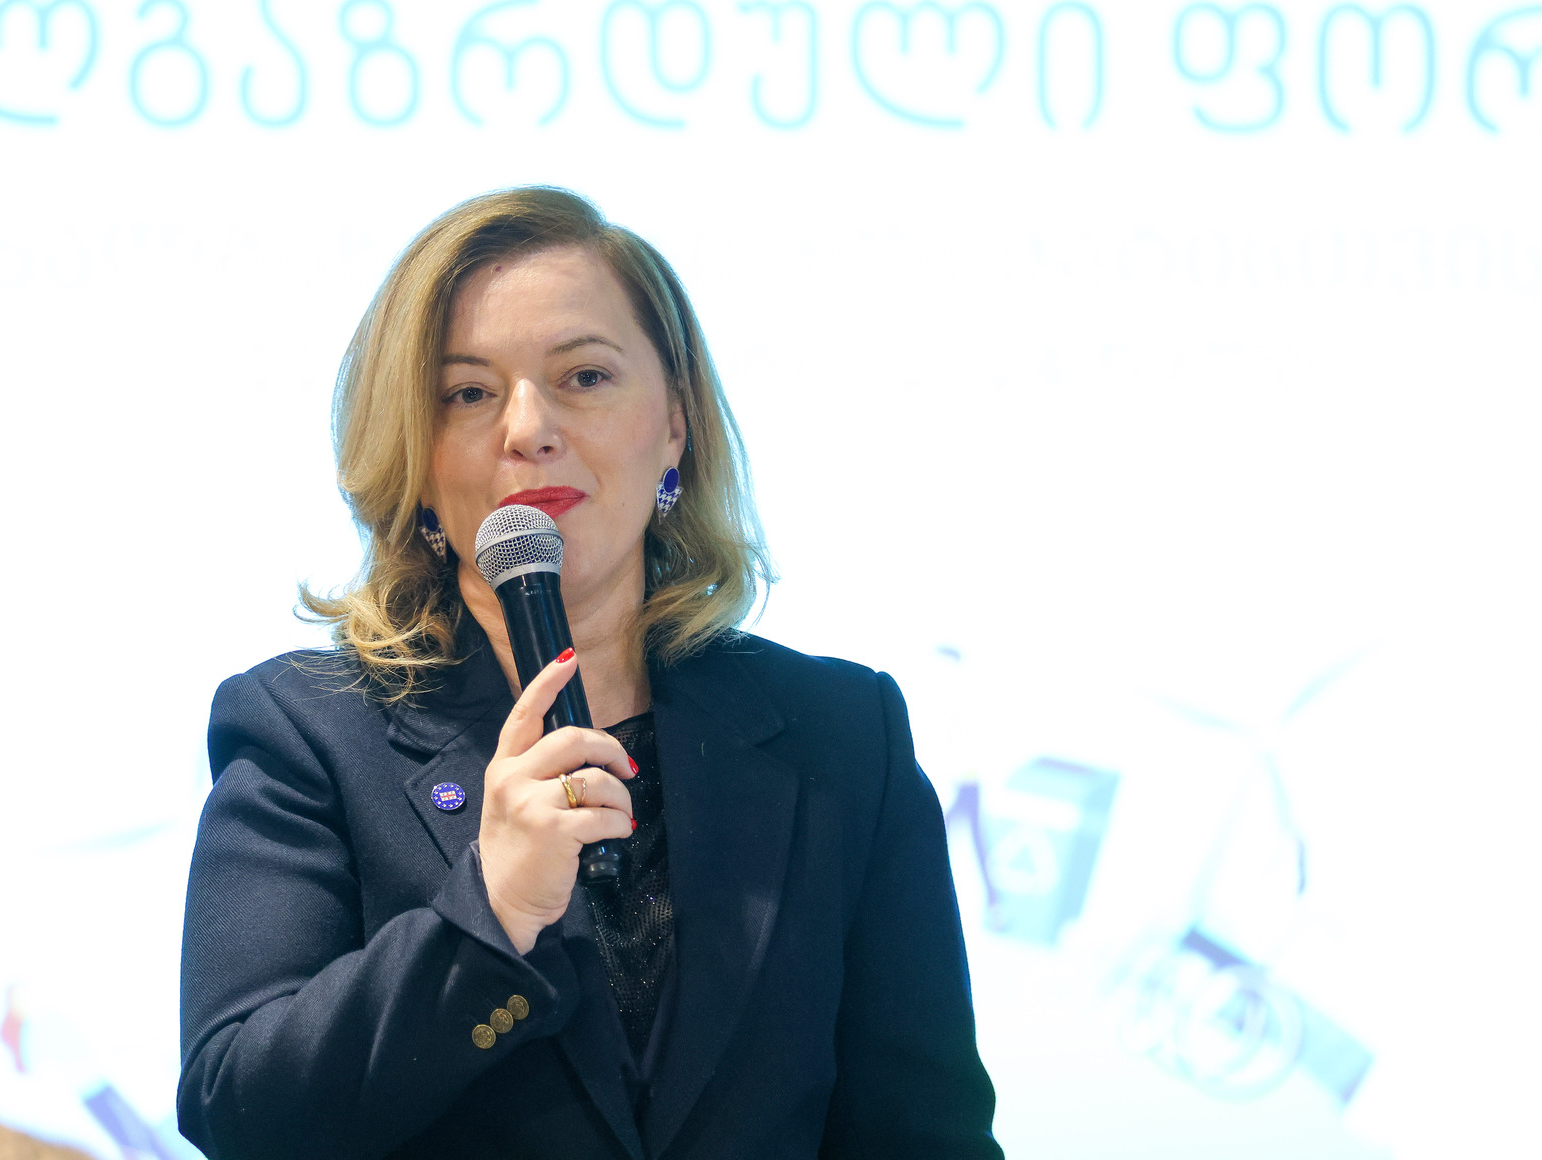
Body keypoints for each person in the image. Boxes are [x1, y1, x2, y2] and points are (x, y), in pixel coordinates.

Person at [177, 187, 1002, 1160]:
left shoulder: (842, 735)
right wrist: (491, 913)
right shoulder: (304, 730)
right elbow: (241, 1110)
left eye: (585, 376)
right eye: (468, 393)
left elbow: (925, 1134)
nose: (528, 427)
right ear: (417, 457)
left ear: (675, 424)